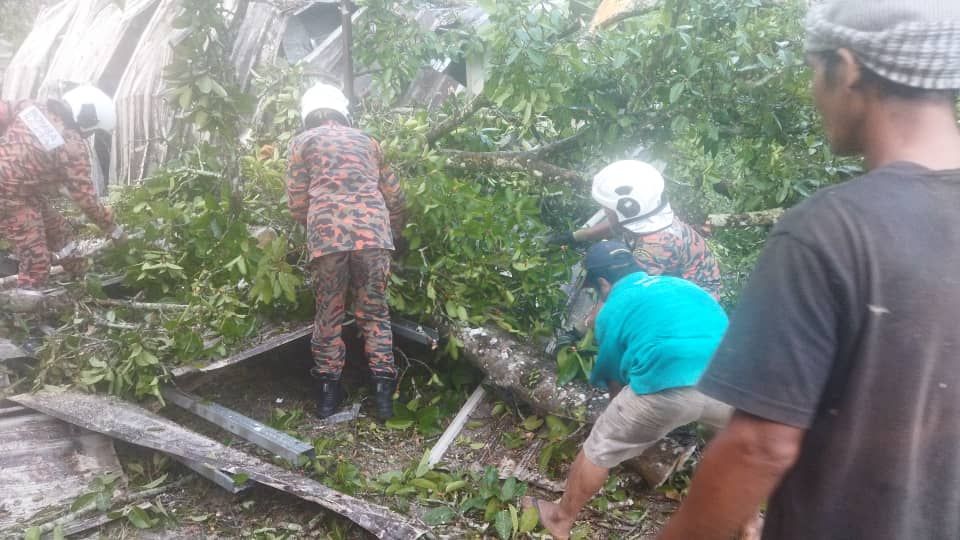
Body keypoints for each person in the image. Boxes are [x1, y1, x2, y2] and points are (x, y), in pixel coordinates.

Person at [658, 1, 960, 539]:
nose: (813, 91)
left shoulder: (830, 230)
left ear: (846, 68)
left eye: (812, 70)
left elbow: (760, 446)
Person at [524, 240, 731, 539]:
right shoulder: (682, 285)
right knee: (733, 448)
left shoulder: (611, 310)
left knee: (600, 445)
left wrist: (622, 420)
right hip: (732, 380)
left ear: (603, 283)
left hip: (670, 379)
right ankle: (750, 526)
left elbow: (615, 379)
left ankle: (559, 518)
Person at [286, 83, 406, 420]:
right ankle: (384, 399)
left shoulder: (302, 143)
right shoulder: (368, 141)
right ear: (343, 110)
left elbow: (296, 202)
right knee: (374, 312)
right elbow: (395, 196)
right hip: (373, 236)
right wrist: (392, 229)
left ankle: (327, 397)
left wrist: (319, 222)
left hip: (328, 239)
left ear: (308, 113)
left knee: (329, 313)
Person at [0, 85, 123, 289]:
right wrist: (114, 229)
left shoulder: (29, 106)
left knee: (58, 228)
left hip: (24, 193)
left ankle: (79, 270)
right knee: (36, 264)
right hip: (10, 199)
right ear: (88, 121)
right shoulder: (73, 147)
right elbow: (86, 200)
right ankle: (24, 305)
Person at [549, 160, 721, 300]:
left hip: (695, 301)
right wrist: (575, 236)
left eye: (607, 210)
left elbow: (624, 290)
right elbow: (616, 223)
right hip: (677, 280)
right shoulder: (646, 216)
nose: (606, 212)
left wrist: (583, 326)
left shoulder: (654, 247)